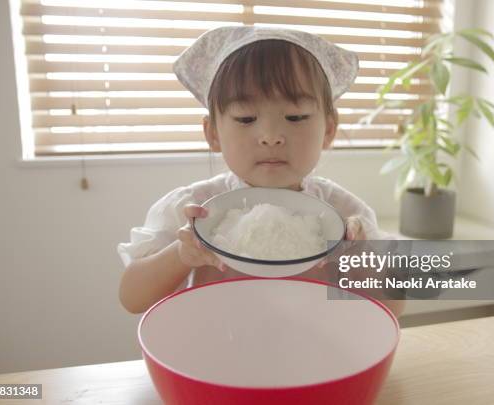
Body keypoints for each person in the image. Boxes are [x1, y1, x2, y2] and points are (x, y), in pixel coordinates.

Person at [117, 26, 404, 317]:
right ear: (213, 133)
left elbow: (394, 305)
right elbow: (132, 297)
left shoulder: (344, 214)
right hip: (216, 354)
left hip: (313, 355)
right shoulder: (193, 211)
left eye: (295, 117)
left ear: (328, 130)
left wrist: (361, 255)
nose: (270, 136)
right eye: (246, 118)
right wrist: (181, 254)